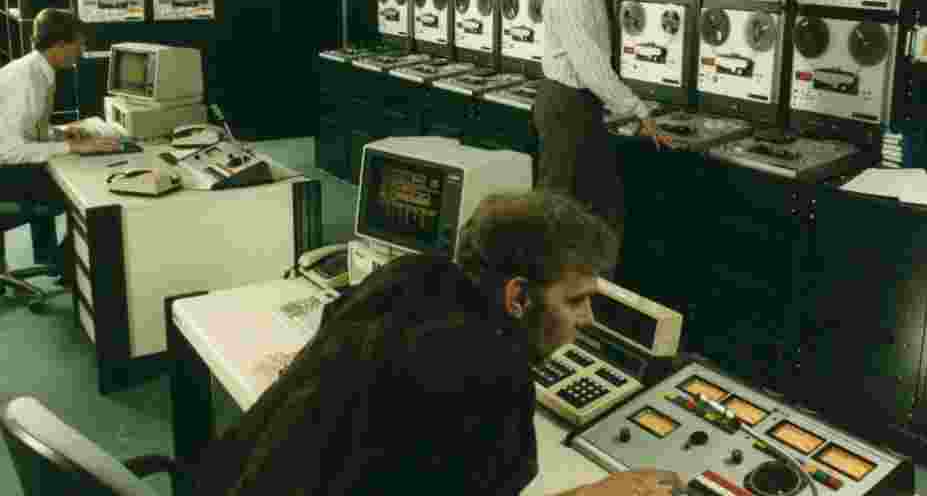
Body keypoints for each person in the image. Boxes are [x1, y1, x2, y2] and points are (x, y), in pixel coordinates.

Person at [195, 189, 686, 496]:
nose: (588, 319)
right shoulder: (490, 372)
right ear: (518, 297)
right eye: (575, 301)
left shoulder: (411, 274)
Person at [534, 0, 715, 242]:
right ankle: (553, 291)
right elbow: (591, 67)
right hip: (566, 107)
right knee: (562, 214)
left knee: (592, 208)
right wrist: (638, 109)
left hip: (581, 105)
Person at [0, 9, 122, 274]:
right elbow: (8, 150)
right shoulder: (28, 82)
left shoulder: (36, 69)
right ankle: (65, 265)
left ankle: (60, 263)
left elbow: (27, 129)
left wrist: (59, 133)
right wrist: (73, 146)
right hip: (4, 175)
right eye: (79, 43)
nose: (82, 50)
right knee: (89, 194)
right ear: (59, 45)